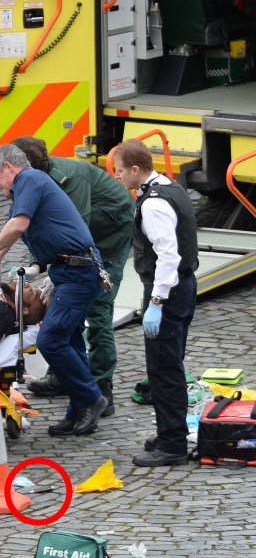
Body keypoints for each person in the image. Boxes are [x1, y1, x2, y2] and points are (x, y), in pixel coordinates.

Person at [0, 144, 108, 437]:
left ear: (10, 167)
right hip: (68, 272)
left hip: (78, 273)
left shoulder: (30, 180)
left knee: (51, 340)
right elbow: (8, 238)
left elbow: (14, 229)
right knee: (70, 341)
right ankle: (78, 412)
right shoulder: (28, 188)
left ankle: (92, 398)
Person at [11, 136, 135, 415]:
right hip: (82, 241)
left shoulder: (69, 179)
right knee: (68, 304)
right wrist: (39, 265)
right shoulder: (35, 180)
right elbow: (41, 228)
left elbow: (73, 229)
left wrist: (53, 270)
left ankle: (102, 386)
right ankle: (66, 376)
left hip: (110, 234)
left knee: (98, 308)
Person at [114, 139, 198, 467]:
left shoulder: (153, 204)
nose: (117, 177)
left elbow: (168, 255)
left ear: (136, 170)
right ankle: (169, 433)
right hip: (184, 285)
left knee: (163, 369)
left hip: (169, 290)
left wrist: (156, 302)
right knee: (170, 364)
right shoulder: (169, 186)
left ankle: (173, 445)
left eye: (120, 171)